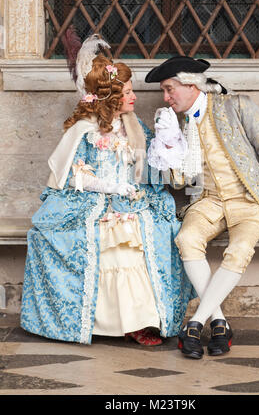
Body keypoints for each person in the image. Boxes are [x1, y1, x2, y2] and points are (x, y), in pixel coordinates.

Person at [20, 37, 194, 345]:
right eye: (127, 92)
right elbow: (74, 174)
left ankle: (142, 321)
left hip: (132, 199)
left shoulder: (136, 125)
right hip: (94, 200)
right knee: (107, 235)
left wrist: (169, 145)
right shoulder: (84, 130)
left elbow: (154, 165)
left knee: (149, 228)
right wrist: (111, 186)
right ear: (110, 97)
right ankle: (105, 323)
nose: (134, 97)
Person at [145, 56, 259, 359]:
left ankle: (196, 323)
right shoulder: (178, 126)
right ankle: (219, 323)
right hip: (208, 201)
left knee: (239, 250)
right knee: (186, 239)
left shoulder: (236, 106)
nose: (165, 98)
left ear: (190, 84)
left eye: (168, 89)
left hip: (249, 200)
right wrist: (167, 147)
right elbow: (178, 184)